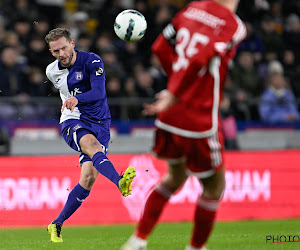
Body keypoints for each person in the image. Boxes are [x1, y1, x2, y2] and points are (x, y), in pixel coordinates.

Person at [121, 0, 246, 249]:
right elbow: (201, 57)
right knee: (214, 186)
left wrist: (174, 88)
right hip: (197, 119)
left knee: (173, 177)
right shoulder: (233, 25)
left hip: (170, 114)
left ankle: (137, 240)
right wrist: (178, 93)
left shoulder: (191, 9)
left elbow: (159, 47)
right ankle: (195, 247)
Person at [44, 28, 136, 243]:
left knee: (88, 178)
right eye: (56, 51)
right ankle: (120, 181)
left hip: (101, 122)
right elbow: (65, 94)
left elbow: (99, 92)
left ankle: (56, 223)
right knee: (92, 146)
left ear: (72, 43)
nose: (61, 54)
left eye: (64, 48)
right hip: (72, 120)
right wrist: (70, 104)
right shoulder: (51, 71)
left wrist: (77, 98)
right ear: (51, 52)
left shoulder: (92, 61)